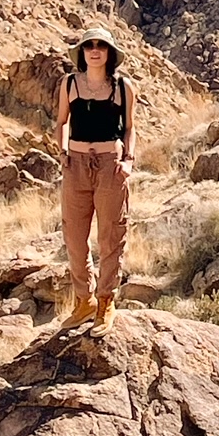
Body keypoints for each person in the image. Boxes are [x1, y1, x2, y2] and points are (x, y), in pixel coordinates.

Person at [55, 27, 136, 331]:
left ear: (110, 52)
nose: (95, 50)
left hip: (109, 165)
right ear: (83, 51)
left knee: (111, 235)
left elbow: (129, 127)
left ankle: (106, 301)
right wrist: (62, 151)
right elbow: (62, 121)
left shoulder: (122, 87)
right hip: (75, 164)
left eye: (101, 45)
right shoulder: (69, 84)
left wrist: (128, 160)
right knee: (74, 238)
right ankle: (83, 300)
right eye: (89, 45)